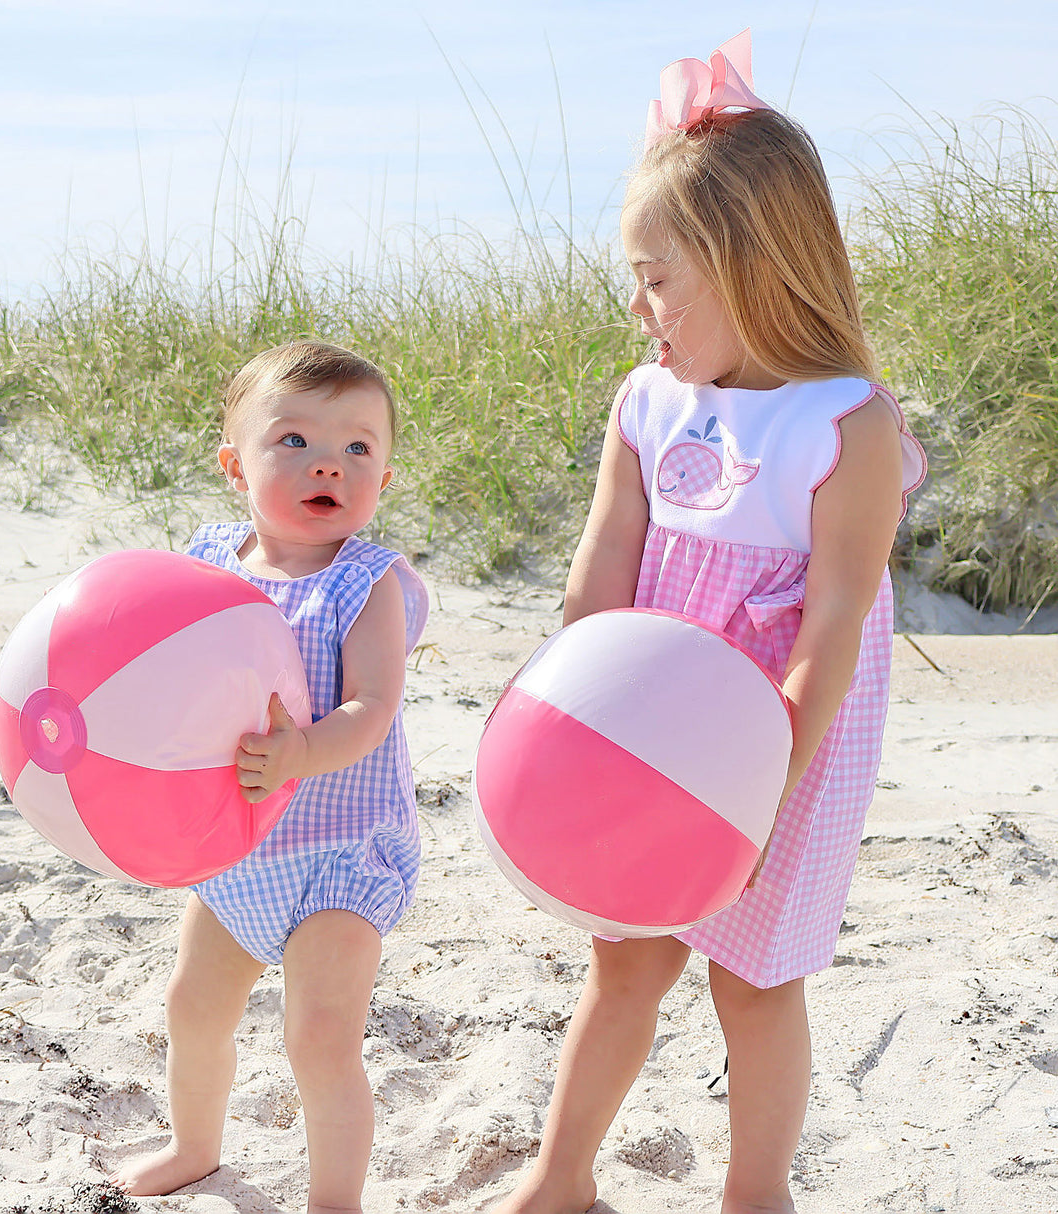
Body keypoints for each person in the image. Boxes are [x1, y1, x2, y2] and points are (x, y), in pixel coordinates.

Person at [493, 32, 925, 1214]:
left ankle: (754, 1192)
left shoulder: (846, 423)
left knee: (750, 976)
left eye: (657, 276)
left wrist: (772, 762)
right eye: (632, 278)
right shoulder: (646, 402)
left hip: (781, 743)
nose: (640, 307)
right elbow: (602, 570)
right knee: (623, 957)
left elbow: (832, 618)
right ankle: (560, 1174)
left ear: (750, 265)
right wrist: (553, 695)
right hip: (640, 737)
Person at [111, 339, 429, 1213]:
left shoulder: (367, 583)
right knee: (192, 1006)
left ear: (385, 478)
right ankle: (194, 1145)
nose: (329, 460)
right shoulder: (208, 563)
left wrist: (301, 752)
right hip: (236, 846)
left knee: (320, 1035)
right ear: (234, 466)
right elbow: (163, 672)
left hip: (339, 853)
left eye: (358, 447)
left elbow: (372, 708)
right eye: (293, 440)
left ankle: (337, 1201)